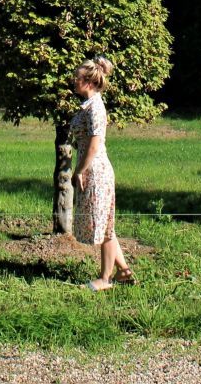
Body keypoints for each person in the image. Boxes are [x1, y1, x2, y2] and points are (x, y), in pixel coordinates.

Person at [70, 56, 137, 291]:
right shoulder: (87, 105)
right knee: (106, 224)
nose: (74, 80)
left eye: (77, 77)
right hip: (92, 170)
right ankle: (124, 271)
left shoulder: (96, 107)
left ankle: (105, 279)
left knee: (105, 227)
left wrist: (80, 171)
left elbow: (95, 145)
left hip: (96, 171)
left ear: (89, 81)